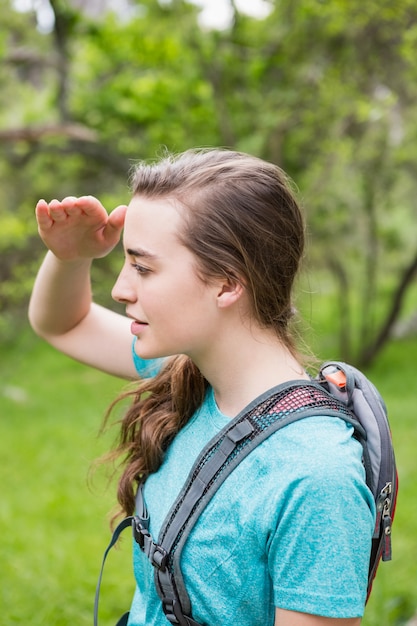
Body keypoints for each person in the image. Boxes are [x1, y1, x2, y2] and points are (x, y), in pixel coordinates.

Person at [28, 148, 375, 626]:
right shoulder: (188, 372)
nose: (121, 289)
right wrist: (71, 257)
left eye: (143, 268)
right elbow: (63, 323)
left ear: (227, 283)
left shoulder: (314, 478)